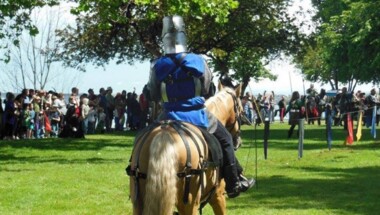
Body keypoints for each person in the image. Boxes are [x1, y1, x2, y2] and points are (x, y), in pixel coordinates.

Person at [146, 15, 254, 198]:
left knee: (143, 142)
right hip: (197, 115)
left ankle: (139, 183)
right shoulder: (199, 61)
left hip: (167, 115)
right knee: (226, 139)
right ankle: (233, 182)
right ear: (184, 36)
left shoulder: (156, 64)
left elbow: (154, 94)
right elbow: (206, 89)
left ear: (164, 38)